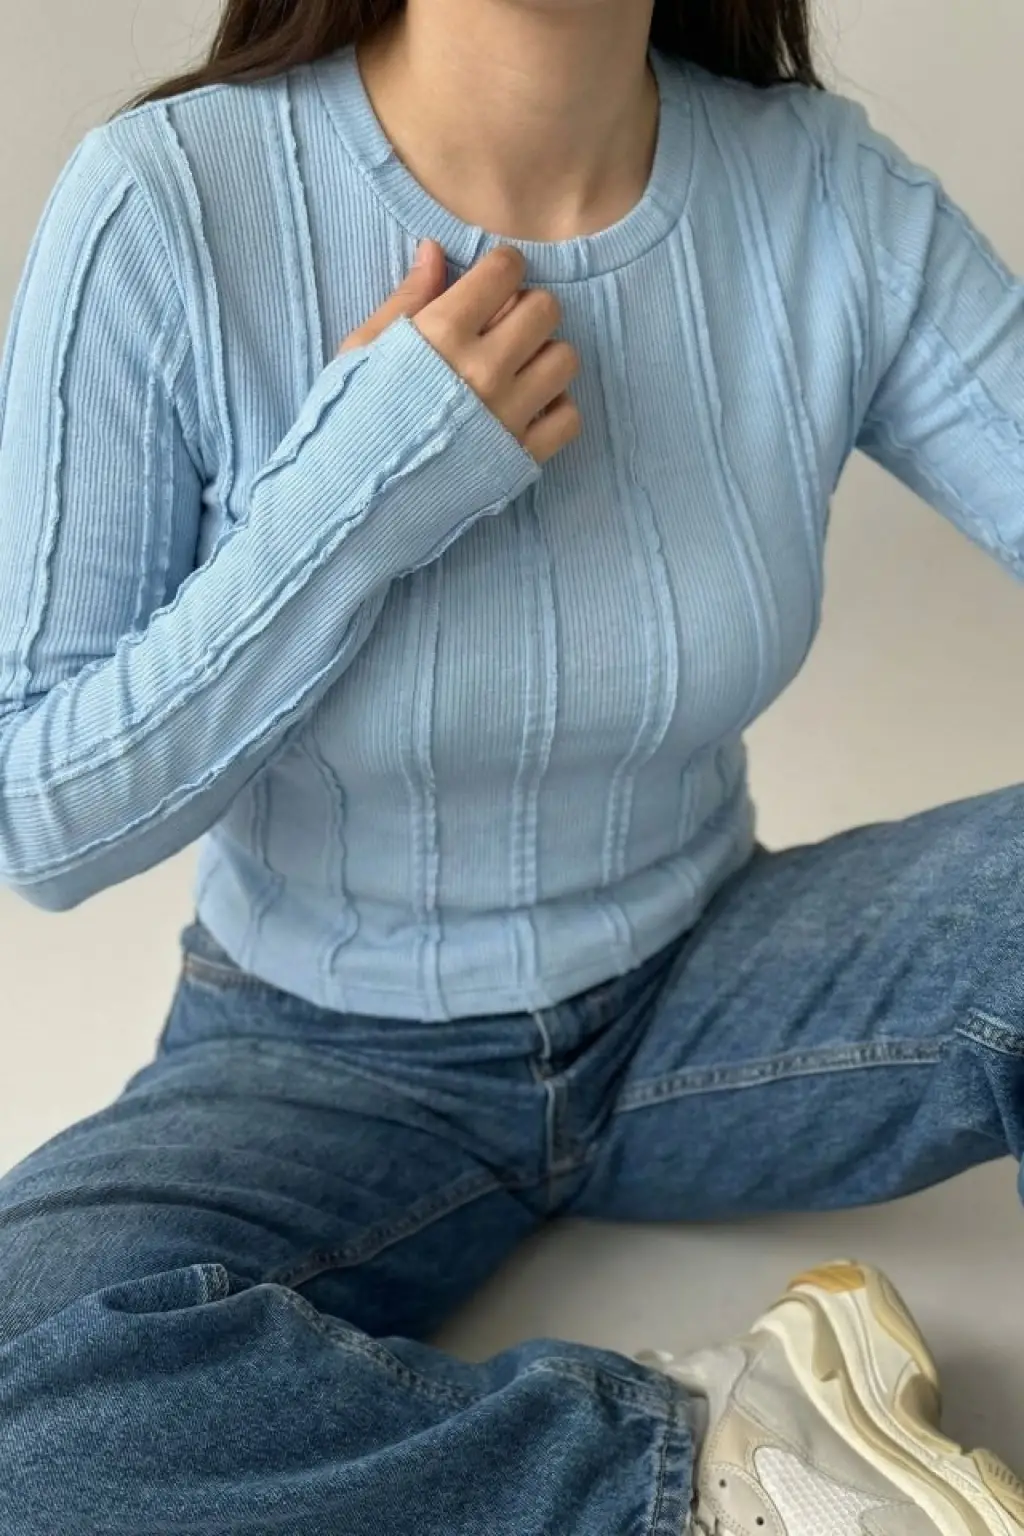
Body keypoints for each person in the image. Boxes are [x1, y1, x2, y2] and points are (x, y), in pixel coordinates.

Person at [1, 0, 1022, 1529]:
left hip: (707, 992)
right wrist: (355, 501)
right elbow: (38, 816)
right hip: (316, 1058)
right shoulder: (168, 200)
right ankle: (710, 1465)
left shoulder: (818, 192)